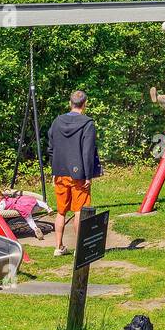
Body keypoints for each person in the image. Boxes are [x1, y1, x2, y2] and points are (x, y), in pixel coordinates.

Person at [46, 90, 102, 256]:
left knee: (61, 211)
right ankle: (80, 248)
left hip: (60, 172)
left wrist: (54, 169)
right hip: (79, 174)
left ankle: (58, 247)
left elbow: (51, 148)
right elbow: (88, 151)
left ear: (70, 103)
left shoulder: (57, 121)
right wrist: (88, 175)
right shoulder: (87, 124)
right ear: (85, 104)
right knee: (79, 210)